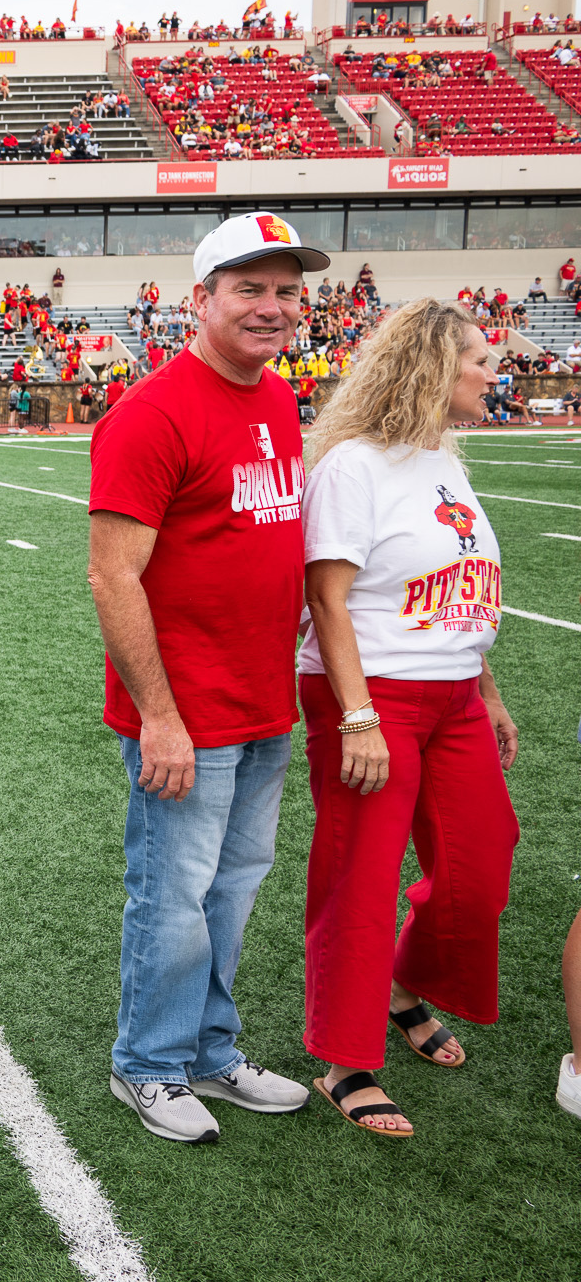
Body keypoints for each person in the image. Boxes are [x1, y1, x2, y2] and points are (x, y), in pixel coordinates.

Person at [87, 213, 328, 1143]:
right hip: (188, 711)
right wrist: (160, 715)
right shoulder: (152, 412)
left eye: (285, 290)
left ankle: (209, 1051)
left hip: (263, 697)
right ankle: (146, 1063)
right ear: (201, 299)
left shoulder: (275, 397)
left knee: (232, 890)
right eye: (250, 289)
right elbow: (113, 575)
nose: (272, 307)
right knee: (175, 894)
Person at [297, 299, 519, 1137]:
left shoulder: (441, 458)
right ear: (432, 366)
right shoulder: (355, 463)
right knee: (360, 871)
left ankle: (397, 986)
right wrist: (357, 714)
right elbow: (327, 594)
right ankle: (345, 1060)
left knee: (481, 861)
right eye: (479, 360)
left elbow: (459, 589)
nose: (492, 375)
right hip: (372, 694)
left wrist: (486, 688)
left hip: (454, 691)